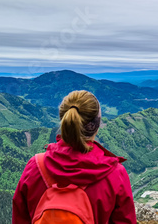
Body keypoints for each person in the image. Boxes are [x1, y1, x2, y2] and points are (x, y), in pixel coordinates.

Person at [12, 90, 137, 223]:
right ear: (97, 125)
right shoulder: (115, 174)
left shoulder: (35, 166)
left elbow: (20, 217)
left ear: (64, 120)